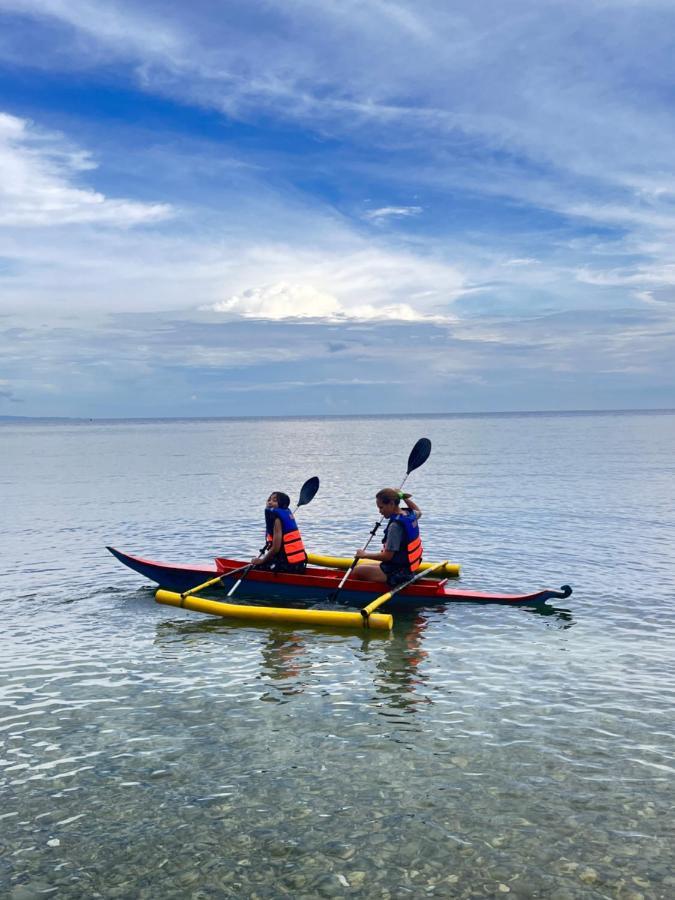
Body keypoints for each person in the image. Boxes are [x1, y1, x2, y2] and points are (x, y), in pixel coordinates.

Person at [354, 488, 423, 586]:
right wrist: (403, 497)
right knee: (363, 566)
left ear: (391, 504)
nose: (380, 511)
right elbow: (418, 511)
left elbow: (387, 556)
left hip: (398, 574)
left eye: (381, 507)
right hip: (408, 570)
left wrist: (364, 555)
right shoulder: (409, 514)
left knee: (357, 571)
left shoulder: (395, 526)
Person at [252, 491, 308, 573]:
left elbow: (276, 548)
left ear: (283, 505)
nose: (270, 502)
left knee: (256, 566)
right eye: (269, 500)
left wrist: (261, 561)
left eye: (275, 500)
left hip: (289, 566)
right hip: (298, 564)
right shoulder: (285, 516)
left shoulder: (278, 520)